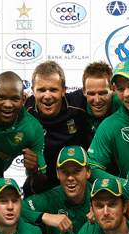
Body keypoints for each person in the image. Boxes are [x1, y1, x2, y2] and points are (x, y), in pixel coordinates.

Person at [0, 72, 46, 211]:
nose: (7, 104)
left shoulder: (32, 129)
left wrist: (35, 171)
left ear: (24, 100)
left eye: (15, 99)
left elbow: (41, 187)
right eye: (1, 97)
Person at [24, 61, 90, 195]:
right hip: (40, 182)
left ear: (64, 91)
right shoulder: (25, 111)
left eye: (53, 90)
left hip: (76, 183)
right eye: (41, 90)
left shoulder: (79, 104)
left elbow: (110, 96)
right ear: (33, 91)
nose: (47, 96)